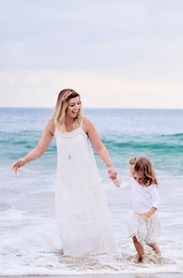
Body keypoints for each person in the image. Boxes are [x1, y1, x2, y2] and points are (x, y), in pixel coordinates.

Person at [11, 88, 118, 257]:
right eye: (72, 105)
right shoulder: (53, 124)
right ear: (63, 106)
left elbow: (100, 147)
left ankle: (96, 254)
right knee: (71, 214)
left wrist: (110, 166)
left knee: (90, 212)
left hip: (86, 177)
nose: (77, 108)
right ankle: (75, 254)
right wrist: (24, 160)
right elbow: (40, 149)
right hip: (66, 179)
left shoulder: (85, 123)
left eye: (78, 103)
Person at [112, 156, 162, 262]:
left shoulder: (150, 186)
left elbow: (157, 201)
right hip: (136, 216)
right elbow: (121, 186)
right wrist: (114, 179)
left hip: (149, 217)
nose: (132, 175)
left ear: (144, 171)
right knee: (135, 237)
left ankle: (159, 256)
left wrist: (148, 214)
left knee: (150, 241)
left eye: (135, 172)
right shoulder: (133, 181)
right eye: (131, 172)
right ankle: (142, 258)